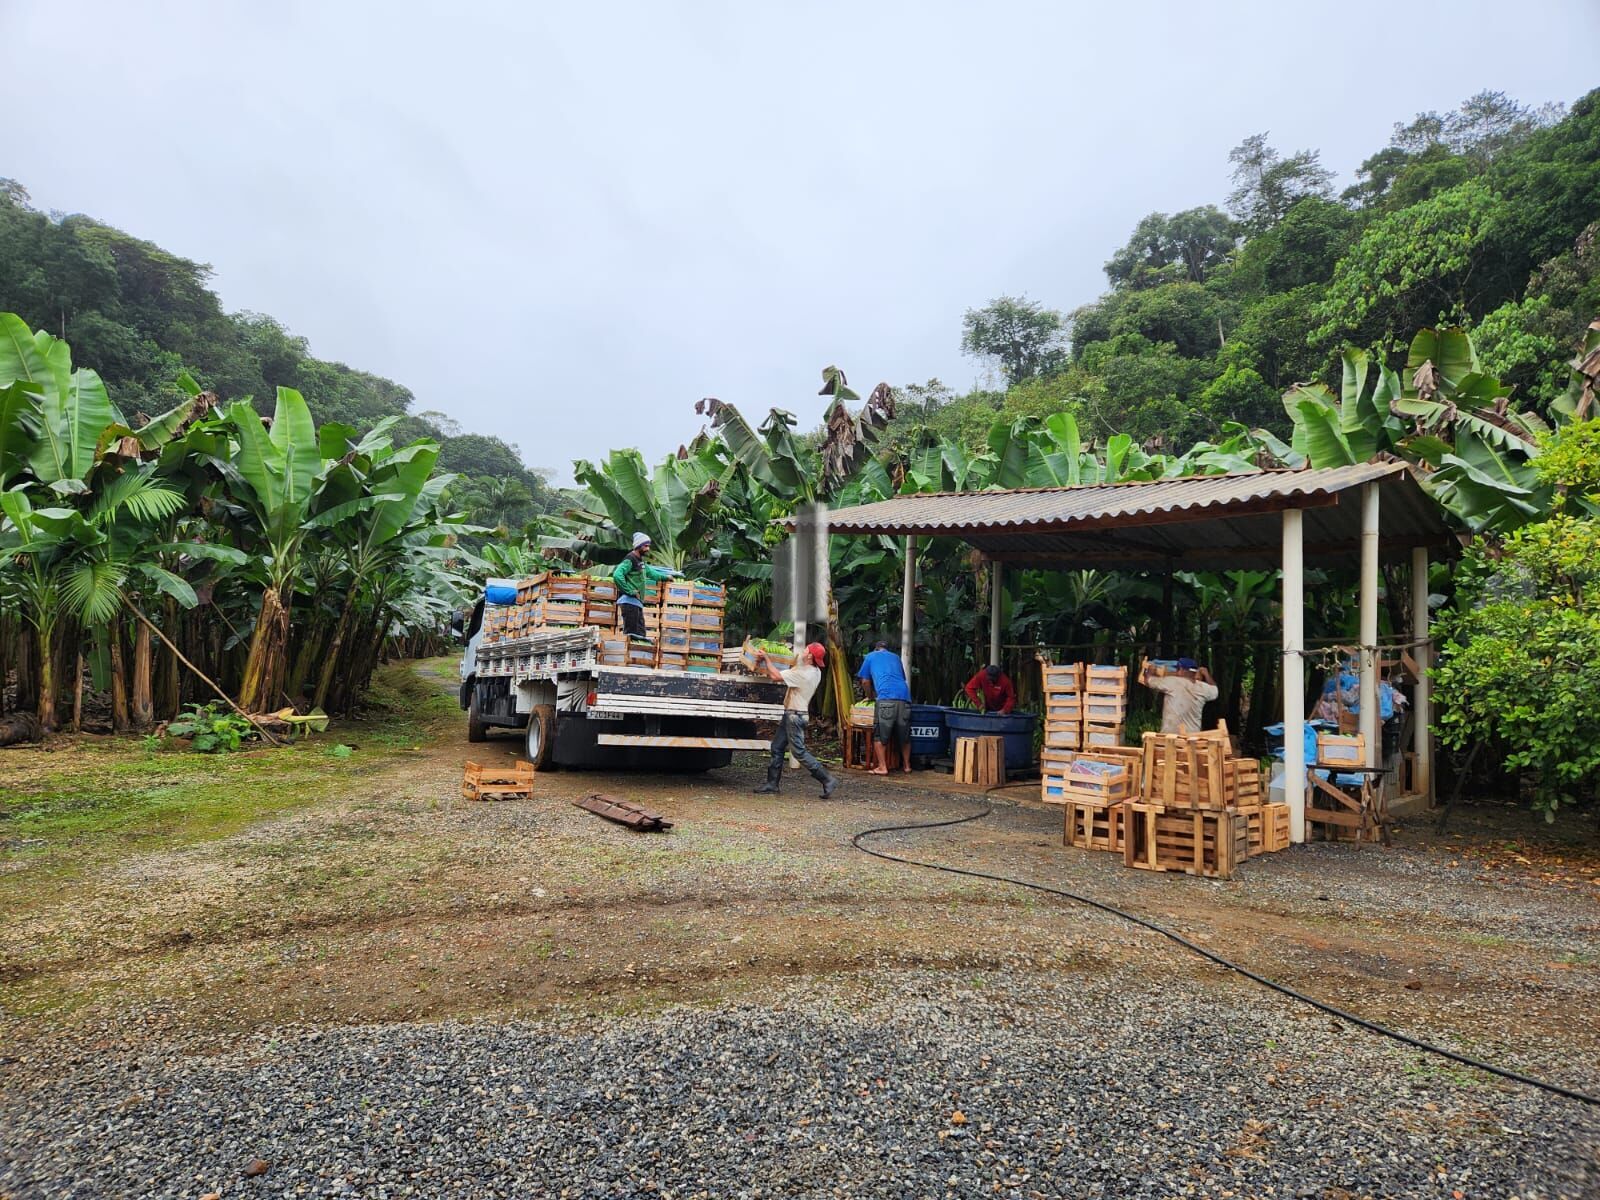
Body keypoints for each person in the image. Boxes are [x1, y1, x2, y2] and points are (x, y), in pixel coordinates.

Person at [753, 642, 837, 798]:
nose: (803, 651)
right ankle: (772, 784)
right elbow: (792, 667)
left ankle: (827, 779)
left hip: (795, 716)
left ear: (810, 656)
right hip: (791, 713)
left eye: (806, 650)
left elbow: (776, 676)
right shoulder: (814, 671)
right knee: (777, 747)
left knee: (798, 752)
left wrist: (766, 658)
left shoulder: (804, 674)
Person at [857, 640, 912, 774]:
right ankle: (907, 766)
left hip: (886, 698)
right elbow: (901, 678)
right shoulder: (896, 657)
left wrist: (870, 696)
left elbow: (865, 681)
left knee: (880, 736)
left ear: (876, 649)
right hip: (904, 697)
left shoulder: (870, 656)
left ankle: (882, 767)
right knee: (904, 735)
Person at [612, 532, 678, 639]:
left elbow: (652, 573)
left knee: (641, 635)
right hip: (629, 603)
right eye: (645, 546)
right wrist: (630, 591)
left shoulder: (640, 561)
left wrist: (666, 577)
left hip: (636, 604)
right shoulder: (630, 559)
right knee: (631, 635)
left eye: (648, 546)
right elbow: (617, 575)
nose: (648, 549)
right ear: (639, 546)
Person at [1138, 656, 1218, 734]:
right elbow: (1215, 690)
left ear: (1182, 670)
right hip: (1192, 736)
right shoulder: (1203, 688)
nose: (1176, 671)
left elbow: (1149, 680)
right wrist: (1206, 674)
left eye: (1178, 669)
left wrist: (1150, 671)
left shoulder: (1172, 682)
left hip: (1170, 736)